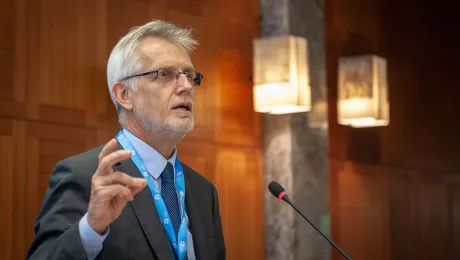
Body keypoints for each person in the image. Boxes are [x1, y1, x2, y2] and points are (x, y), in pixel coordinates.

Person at [26, 20, 226, 260]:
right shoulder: (85, 177)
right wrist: (90, 229)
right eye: (164, 74)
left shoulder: (204, 191)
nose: (186, 86)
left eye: (189, 75)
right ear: (124, 95)